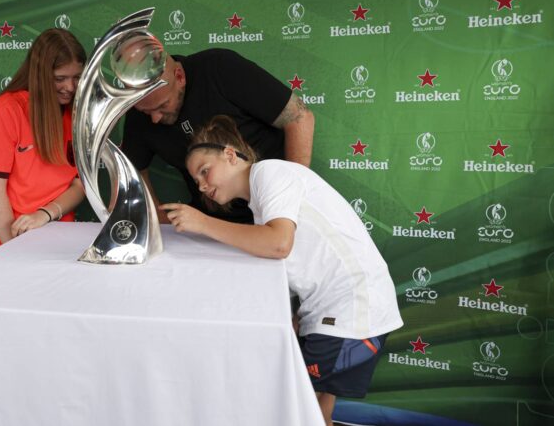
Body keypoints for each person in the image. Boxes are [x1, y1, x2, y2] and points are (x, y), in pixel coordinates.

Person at [160, 116, 403, 426]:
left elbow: (279, 244)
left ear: (231, 155)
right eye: (196, 181)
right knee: (315, 414)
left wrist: (203, 223)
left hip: (351, 310)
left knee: (297, 411)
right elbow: (284, 256)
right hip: (342, 310)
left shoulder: (269, 173)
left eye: (205, 171)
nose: (202, 186)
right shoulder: (260, 205)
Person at [121, 48, 314, 224]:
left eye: (162, 106)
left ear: (179, 76)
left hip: (274, 215)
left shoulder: (219, 68)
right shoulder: (140, 111)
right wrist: (155, 215)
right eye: (146, 111)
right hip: (210, 225)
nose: (154, 118)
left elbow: (299, 117)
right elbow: (130, 168)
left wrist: (291, 201)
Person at [0, 28, 87, 256]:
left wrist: (45, 214)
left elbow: (80, 185)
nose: (71, 87)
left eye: (77, 77)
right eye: (60, 79)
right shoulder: (6, 111)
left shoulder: (76, 113)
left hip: (59, 240)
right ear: (41, 75)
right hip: (6, 241)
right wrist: (15, 250)